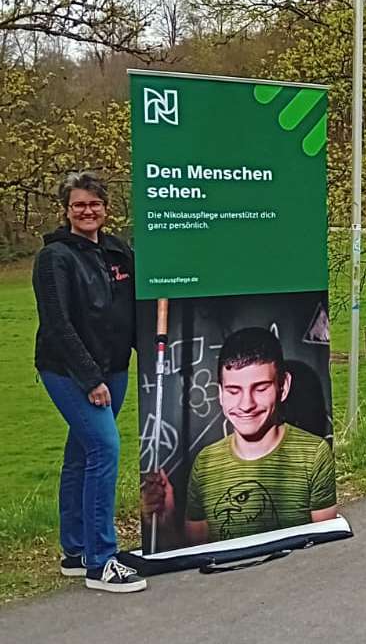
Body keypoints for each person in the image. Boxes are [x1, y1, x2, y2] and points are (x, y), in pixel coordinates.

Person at [34, 171, 146, 592]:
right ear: (66, 211)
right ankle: (102, 561)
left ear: (106, 208)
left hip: (114, 367)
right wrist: (90, 378)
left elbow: (132, 308)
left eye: (94, 203)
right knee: (104, 447)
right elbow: (58, 323)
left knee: (82, 453)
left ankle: (76, 550)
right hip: (69, 371)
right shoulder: (55, 258)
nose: (87, 211)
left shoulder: (118, 252)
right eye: (78, 204)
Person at [141, 327, 337, 545]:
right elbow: (198, 552)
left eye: (260, 388)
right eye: (233, 391)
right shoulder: (205, 464)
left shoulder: (314, 455)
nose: (246, 404)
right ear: (220, 393)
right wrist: (166, 522)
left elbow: (327, 549)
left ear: (283, 386)